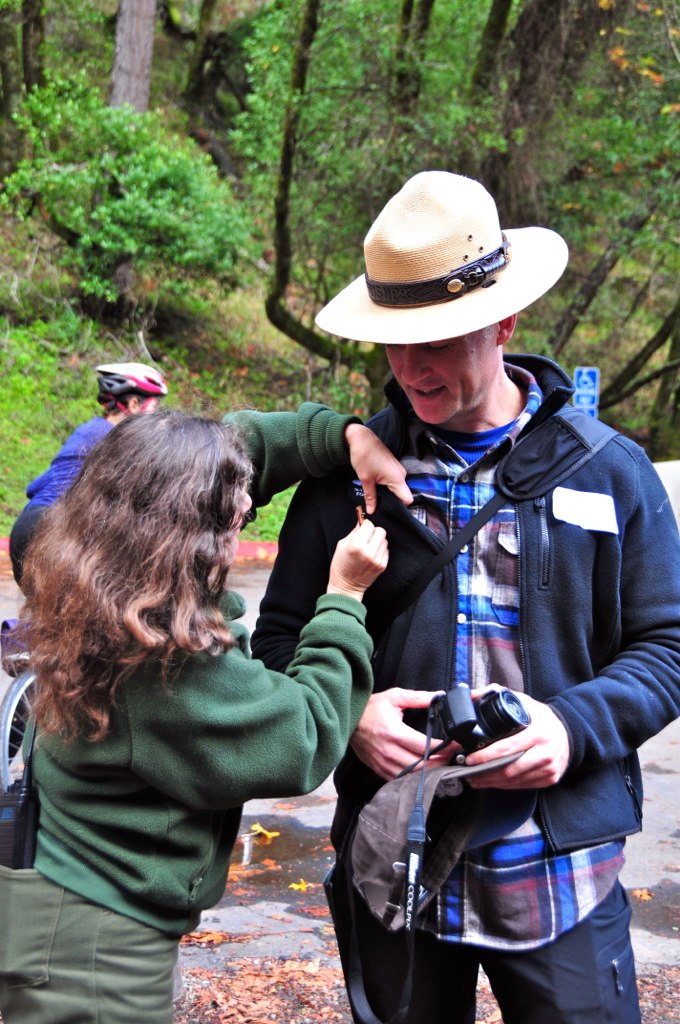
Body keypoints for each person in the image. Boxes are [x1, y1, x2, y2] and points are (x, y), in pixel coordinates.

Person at [250, 171, 680, 1024]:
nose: (410, 368)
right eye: (394, 342)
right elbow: (276, 649)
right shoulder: (346, 483)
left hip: (560, 873)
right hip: (396, 866)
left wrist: (572, 726)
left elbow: (667, 649)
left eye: (440, 340)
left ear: (505, 324)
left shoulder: (607, 470)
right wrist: (350, 713)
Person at [0, 403, 412, 1024]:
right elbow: (305, 733)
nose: (249, 507)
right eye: (235, 504)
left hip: (47, 887)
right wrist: (344, 597)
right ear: (184, 532)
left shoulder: (68, 555)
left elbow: (200, 457)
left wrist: (343, 435)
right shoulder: (167, 664)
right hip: (95, 946)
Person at [8, 361, 168, 586]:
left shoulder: (88, 430)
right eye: (155, 406)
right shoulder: (121, 440)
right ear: (133, 403)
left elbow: (35, 486)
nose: (157, 415)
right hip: (54, 534)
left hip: (27, 526)